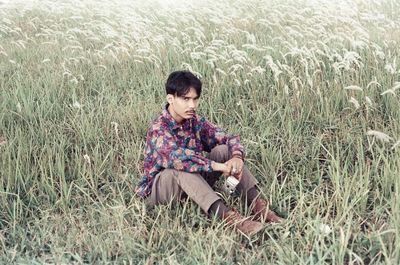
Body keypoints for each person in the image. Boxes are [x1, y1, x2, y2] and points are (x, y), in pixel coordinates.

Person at [135, 70, 283, 236]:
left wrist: (236, 157)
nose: (192, 105)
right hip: (162, 190)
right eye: (185, 99)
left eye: (195, 99)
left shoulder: (193, 120)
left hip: (192, 182)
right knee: (180, 168)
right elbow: (180, 159)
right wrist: (220, 167)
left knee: (223, 150)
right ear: (170, 99)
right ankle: (229, 218)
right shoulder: (158, 128)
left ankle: (257, 206)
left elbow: (228, 138)